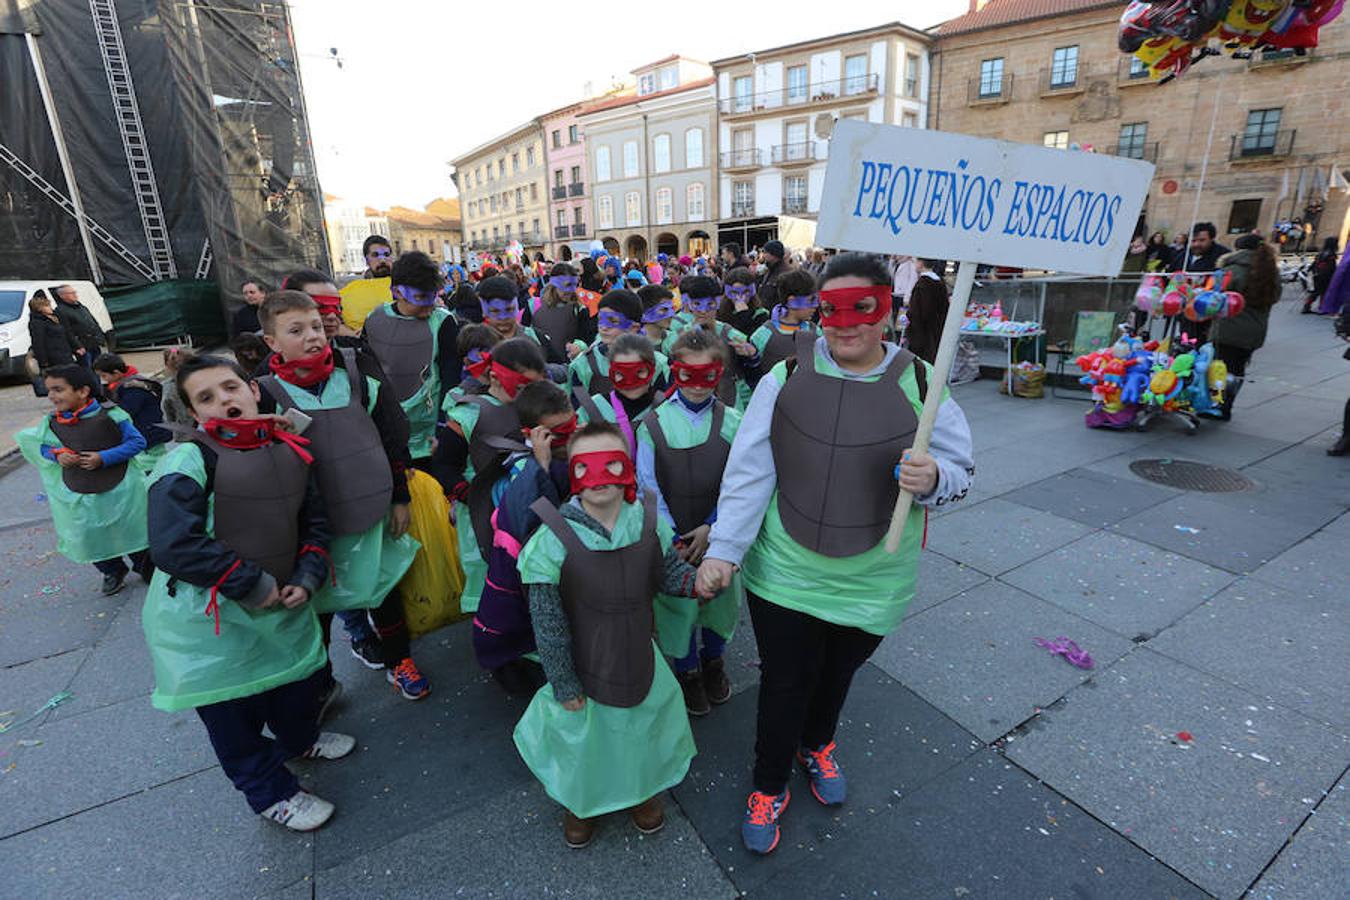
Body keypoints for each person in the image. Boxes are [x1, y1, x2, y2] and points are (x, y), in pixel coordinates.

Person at [696, 252, 974, 855]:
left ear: (886, 310)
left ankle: (816, 743)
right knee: (786, 680)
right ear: (816, 312)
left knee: (837, 671)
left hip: (876, 573)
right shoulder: (784, 377)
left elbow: (960, 470)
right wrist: (725, 551)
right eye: (831, 310)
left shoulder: (922, 380)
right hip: (787, 571)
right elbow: (749, 470)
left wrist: (936, 478)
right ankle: (769, 783)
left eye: (863, 308)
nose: (846, 324)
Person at [141, 354, 354, 832]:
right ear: (195, 414)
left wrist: (308, 573)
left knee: (297, 685)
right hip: (211, 619)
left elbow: (313, 521)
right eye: (206, 398)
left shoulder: (288, 445)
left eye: (230, 388)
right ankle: (269, 793)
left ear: (253, 390)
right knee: (231, 715)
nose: (224, 401)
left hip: (282, 601)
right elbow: (174, 544)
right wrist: (249, 584)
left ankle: (299, 740)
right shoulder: (187, 460)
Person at [513, 420, 706, 848]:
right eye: (586, 467)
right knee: (587, 740)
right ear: (573, 473)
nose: (599, 479)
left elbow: (667, 573)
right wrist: (563, 681)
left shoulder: (646, 520)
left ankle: (641, 791)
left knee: (642, 729)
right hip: (585, 659)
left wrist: (698, 582)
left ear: (628, 468)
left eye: (611, 463)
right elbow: (547, 622)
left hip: (638, 650)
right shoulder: (551, 541)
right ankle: (581, 802)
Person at [255, 290, 428, 701]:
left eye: (316, 326)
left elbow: (391, 439)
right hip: (309, 527)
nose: (312, 336)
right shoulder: (262, 393)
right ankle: (320, 681)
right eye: (296, 331)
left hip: (371, 509)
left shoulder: (356, 375)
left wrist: (399, 496)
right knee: (319, 606)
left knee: (382, 590)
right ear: (271, 342)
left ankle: (398, 659)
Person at [636, 328, 743, 716]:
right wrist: (674, 539)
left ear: (720, 373)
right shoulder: (652, 425)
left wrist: (715, 527)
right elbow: (647, 486)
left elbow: (741, 482)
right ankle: (688, 671)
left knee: (719, 605)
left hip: (721, 534)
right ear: (673, 370)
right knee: (678, 611)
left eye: (708, 376)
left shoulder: (734, 422)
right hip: (673, 539)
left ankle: (714, 663)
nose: (698, 386)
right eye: (688, 375)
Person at [472, 379, 574, 694]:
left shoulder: (567, 456)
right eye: (558, 434)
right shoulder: (519, 471)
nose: (569, 440)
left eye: (572, 427)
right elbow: (522, 521)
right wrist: (540, 466)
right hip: (522, 579)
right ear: (533, 435)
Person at [14, 363, 152, 595]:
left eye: (58, 389)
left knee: (130, 527)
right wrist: (57, 455)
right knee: (90, 534)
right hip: (79, 490)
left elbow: (137, 442)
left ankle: (144, 564)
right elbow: (41, 447)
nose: (52, 396)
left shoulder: (111, 415)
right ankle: (112, 570)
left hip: (121, 487)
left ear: (83, 391)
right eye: (49, 390)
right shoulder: (52, 423)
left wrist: (104, 457)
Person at [441, 338, 549, 616]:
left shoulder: (535, 409)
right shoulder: (467, 414)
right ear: (495, 377)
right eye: (523, 385)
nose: (529, 393)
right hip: (481, 514)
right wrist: (470, 494)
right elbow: (444, 465)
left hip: (530, 507)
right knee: (488, 574)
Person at [361, 251, 460, 464]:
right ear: (397, 292)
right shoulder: (375, 320)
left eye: (433, 295)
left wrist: (444, 428)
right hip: (390, 435)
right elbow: (368, 375)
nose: (430, 304)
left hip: (430, 436)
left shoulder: (443, 323)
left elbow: (451, 377)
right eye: (421, 297)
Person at [1211, 235, 1281, 420]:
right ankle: (1227, 405)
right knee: (1238, 367)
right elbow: (1275, 297)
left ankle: (1217, 404)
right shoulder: (1271, 272)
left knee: (1221, 368)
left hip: (1228, 328)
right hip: (1255, 330)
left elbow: (1215, 296)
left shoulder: (1232, 270)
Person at [680, 273, 761, 408]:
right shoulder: (679, 336)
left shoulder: (731, 334)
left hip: (728, 401)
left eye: (710, 304)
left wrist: (751, 356)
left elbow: (751, 373)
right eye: (697, 304)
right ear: (689, 304)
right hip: (692, 402)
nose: (703, 311)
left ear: (717, 303)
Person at [574, 333, 664, 452]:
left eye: (639, 372)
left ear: (652, 370)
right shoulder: (592, 409)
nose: (630, 382)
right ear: (610, 372)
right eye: (620, 373)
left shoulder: (665, 410)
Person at [568, 290, 669, 397]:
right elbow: (577, 407)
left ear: (634, 327)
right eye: (601, 319)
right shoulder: (583, 364)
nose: (604, 327)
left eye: (613, 321)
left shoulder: (658, 364)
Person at [93, 353, 169, 473]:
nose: (103, 380)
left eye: (104, 376)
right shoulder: (127, 383)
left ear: (116, 373)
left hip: (149, 433)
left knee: (153, 464)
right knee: (155, 460)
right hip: (149, 430)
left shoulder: (133, 388)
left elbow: (124, 412)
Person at [749, 268, 819, 374]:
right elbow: (751, 368)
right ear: (792, 301)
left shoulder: (815, 331)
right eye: (811, 300)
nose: (816, 306)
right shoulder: (765, 333)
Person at [532, 263, 594, 364]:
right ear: (554, 284)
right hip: (542, 366)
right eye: (568, 285)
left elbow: (588, 338)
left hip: (570, 366)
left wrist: (580, 346)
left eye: (575, 285)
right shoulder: (533, 306)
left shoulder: (580, 309)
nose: (572, 290)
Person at [26, 292, 77, 396]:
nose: (50, 308)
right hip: (54, 357)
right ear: (40, 308)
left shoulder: (53, 318)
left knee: (70, 378)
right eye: (47, 305)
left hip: (64, 354)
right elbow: (38, 342)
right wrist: (43, 361)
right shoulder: (37, 322)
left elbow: (65, 334)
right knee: (62, 381)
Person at [904, 258, 951, 365]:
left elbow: (916, 312)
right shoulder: (940, 282)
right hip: (938, 326)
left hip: (922, 331)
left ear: (920, 263)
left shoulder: (923, 284)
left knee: (922, 362)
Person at [53, 284, 106, 369]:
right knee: (87, 370)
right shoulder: (61, 311)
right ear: (62, 296)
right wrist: (78, 346)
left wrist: (101, 338)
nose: (75, 294)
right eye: (71, 293)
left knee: (98, 368)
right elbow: (67, 331)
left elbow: (93, 322)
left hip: (94, 343)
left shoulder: (81, 307)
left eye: (74, 292)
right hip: (82, 347)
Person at [637, 283, 679, 354]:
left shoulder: (675, 339)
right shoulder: (633, 344)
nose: (671, 315)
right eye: (664, 309)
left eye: (672, 308)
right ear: (647, 311)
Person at [1304, 237, 1339, 314]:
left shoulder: (1321, 253)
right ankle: (1321, 308)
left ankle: (1307, 306)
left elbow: (1314, 264)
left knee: (1316, 292)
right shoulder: (1331, 254)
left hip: (1317, 274)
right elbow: (1331, 267)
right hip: (1326, 276)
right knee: (1324, 292)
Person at [756, 240, 792, 311]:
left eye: (765, 252)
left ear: (773, 254)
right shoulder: (769, 270)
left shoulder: (786, 273)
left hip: (777, 315)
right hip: (766, 314)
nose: (764, 255)